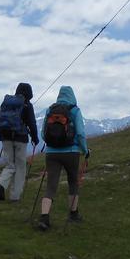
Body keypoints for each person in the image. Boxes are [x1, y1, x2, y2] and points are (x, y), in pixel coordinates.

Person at [37, 85, 89, 231]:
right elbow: (80, 133)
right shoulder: (75, 110)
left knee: (51, 186)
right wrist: (85, 150)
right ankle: (73, 214)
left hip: (51, 153)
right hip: (71, 152)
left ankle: (44, 218)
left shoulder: (50, 111)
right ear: (72, 95)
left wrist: (51, 144)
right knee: (73, 183)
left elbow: (43, 134)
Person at [0, 82, 40, 202]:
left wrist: (1, 135)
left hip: (5, 137)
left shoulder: (7, 103)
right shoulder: (27, 105)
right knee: (20, 166)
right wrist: (35, 138)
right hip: (21, 138)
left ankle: (1, 184)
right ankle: (15, 196)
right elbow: (32, 123)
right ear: (29, 93)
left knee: (10, 164)